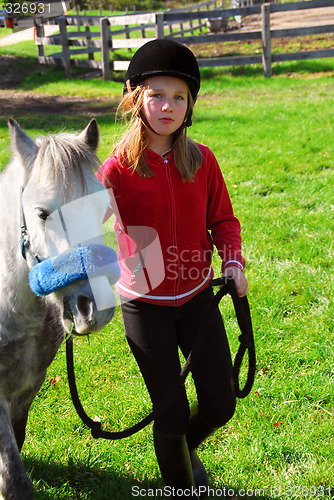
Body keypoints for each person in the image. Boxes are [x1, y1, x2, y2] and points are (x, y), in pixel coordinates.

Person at [97, 39, 248, 498]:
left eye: (179, 97)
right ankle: (180, 485)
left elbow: (223, 220)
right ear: (135, 98)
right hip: (145, 308)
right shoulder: (115, 171)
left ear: (190, 104)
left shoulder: (202, 160)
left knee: (221, 404)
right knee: (171, 411)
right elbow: (80, 228)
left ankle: (181, 452)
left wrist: (233, 259)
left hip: (199, 299)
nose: (168, 106)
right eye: (157, 95)